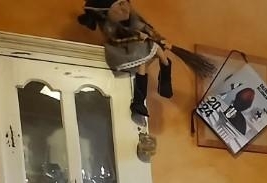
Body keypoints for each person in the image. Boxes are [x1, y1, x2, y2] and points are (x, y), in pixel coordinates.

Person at [78, 0, 215, 119]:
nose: (125, 8)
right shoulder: (110, 29)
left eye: (124, 3)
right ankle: (139, 100)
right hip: (123, 53)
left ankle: (165, 78)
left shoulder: (134, 20)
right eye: (119, 4)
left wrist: (160, 39)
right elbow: (117, 41)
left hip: (138, 49)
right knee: (143, 58)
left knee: (156, 49)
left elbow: (148, 30)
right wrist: (137, 37)